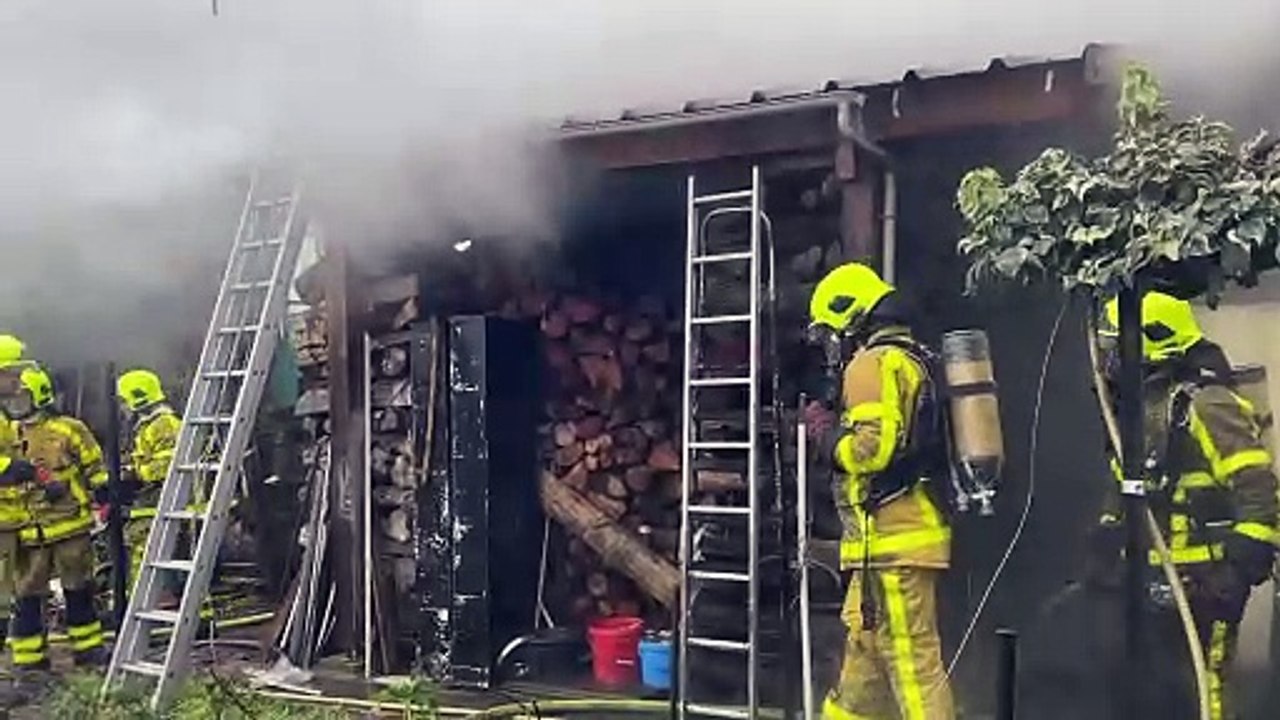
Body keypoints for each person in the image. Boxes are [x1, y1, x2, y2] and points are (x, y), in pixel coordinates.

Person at [1094, 291, 1278, 720]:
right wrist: (1105, 544)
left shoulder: (1206, 405)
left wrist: (1235, 571)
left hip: (1204, 585)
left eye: (1115, 347)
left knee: (1202, 693)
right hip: (1150, 585)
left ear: (1154, 341)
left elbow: (1258, 490)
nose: (1109, 361)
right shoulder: (1139, 414)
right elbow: (1127, 490)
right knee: (1152, 697)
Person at [806, 262, 954, 720]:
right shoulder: (909, 359)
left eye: (831, 333)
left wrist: (826, 438)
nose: (832, 346)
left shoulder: (870, 364)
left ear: (850, 317)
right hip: (880, 547)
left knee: (913, 664)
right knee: (864, 650)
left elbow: (871, 451)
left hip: (896, 542)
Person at [2, 365, 108, 672]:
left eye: (22, 398)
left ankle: (89, 653)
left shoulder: (68, 428)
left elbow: (94, 463)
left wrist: (102, 489)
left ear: (40, 395)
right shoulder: (7, 432)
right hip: (28, 533)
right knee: (27, 597)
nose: (14, 404)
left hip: (70, 526)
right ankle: (30, 663)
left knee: (79, 589)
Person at [116, 368, 181, 583]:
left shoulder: (163, 425)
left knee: (146, 555)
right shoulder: (147, 426)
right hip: (155, 502)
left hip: (168, 502)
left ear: (137, 398)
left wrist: (133, 473)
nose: (122, 407)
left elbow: (165, 467)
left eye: (124, 401)